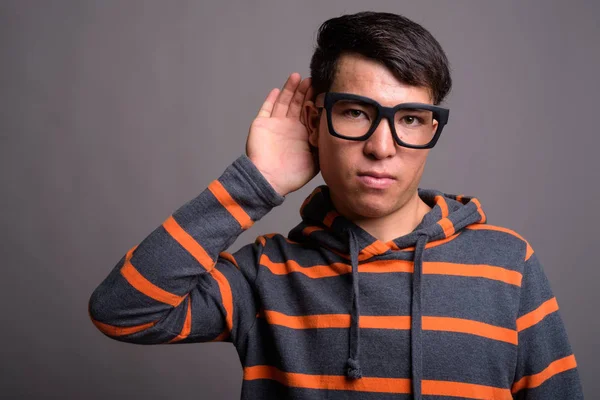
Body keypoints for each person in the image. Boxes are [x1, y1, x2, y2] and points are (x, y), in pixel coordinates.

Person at [89, 11, 584, 399]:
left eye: (410, 119)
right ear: (313, 120)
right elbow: (123, 311)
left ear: (433, 129)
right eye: (355, 113)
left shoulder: (507, 264)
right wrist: (256, 183)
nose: (382, 146)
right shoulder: (266, 275)